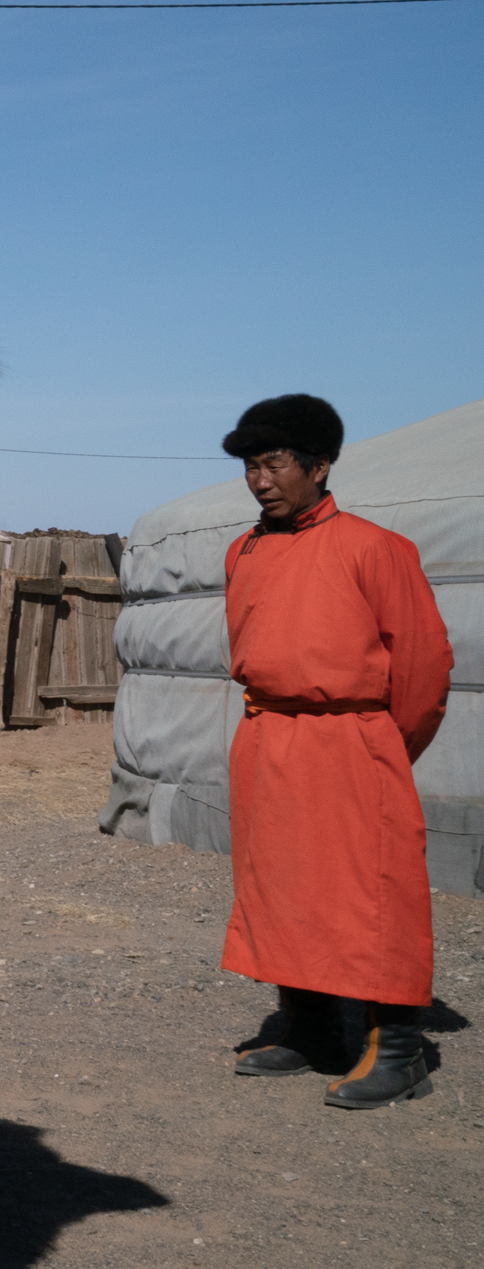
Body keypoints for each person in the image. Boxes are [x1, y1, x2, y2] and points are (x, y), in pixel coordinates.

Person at [216, 394, 454, 1108]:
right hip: (268, 736)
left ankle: (399, 1051)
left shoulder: (375, 549)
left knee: (374, 889)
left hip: (351, 739)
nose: (260, 481)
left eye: (275, 464)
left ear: (319, 466)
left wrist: (376, 748)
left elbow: (422, 668)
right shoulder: (243, 551)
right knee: (285, 883)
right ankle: (313, 1029)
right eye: (251, 467)